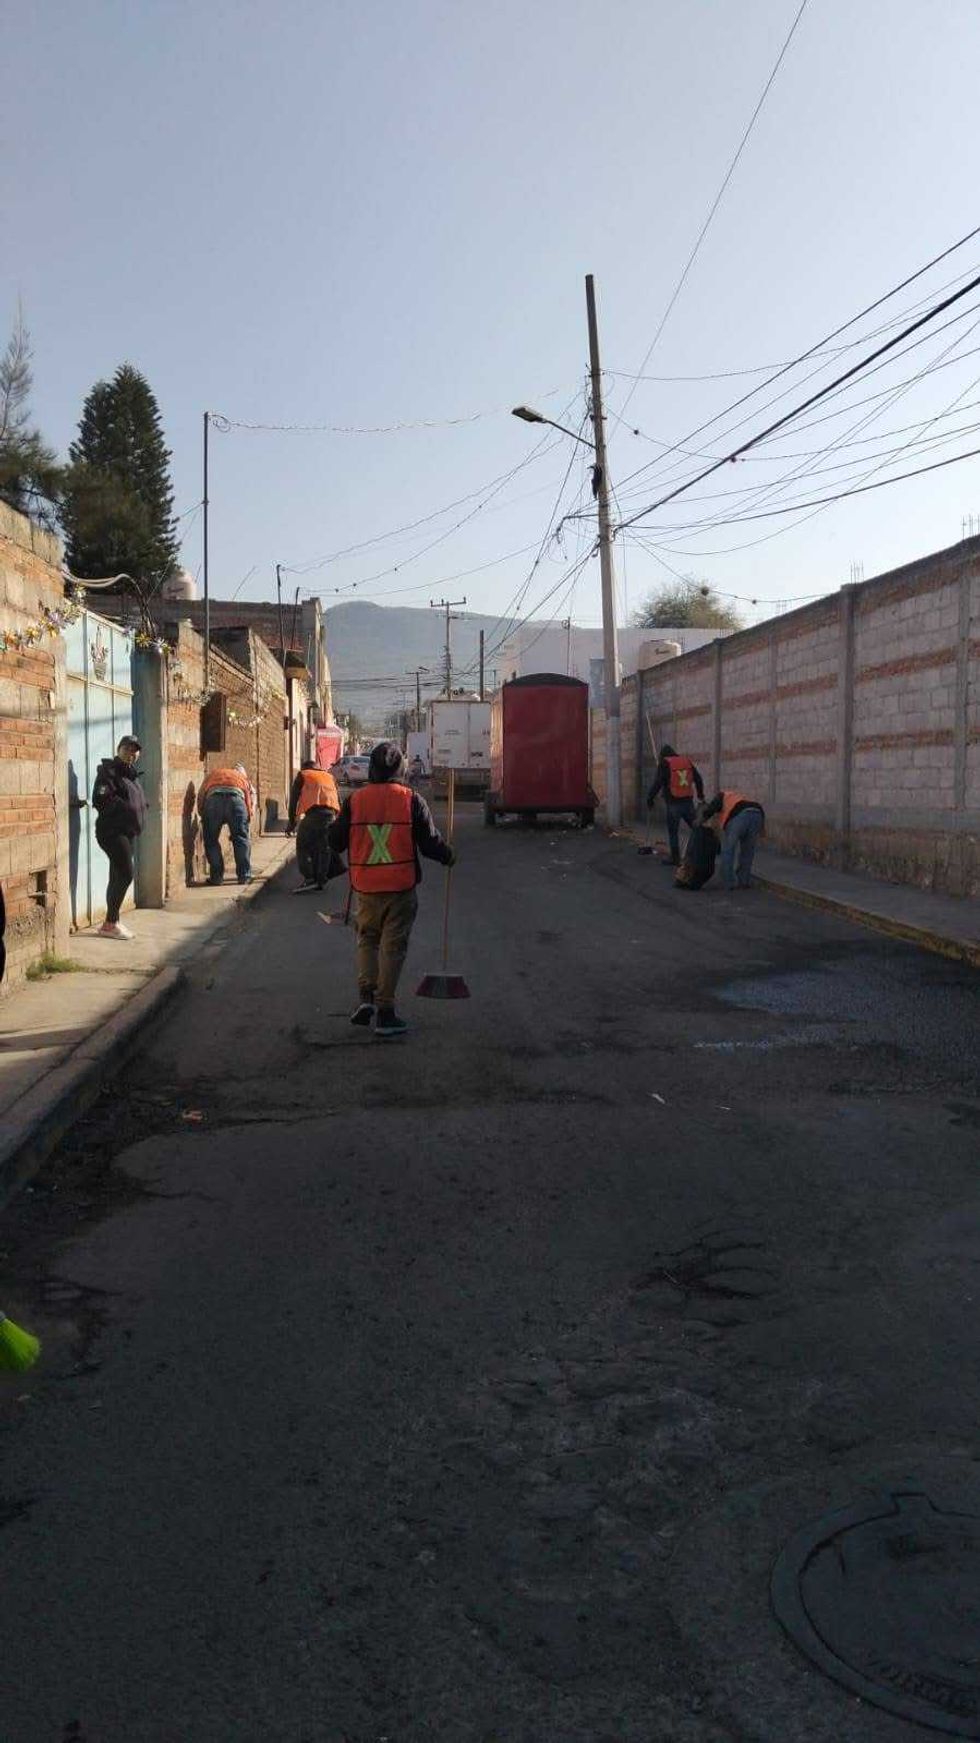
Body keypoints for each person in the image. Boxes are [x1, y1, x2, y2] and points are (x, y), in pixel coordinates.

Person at [327, 740, 455, 1039]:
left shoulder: (355, 801)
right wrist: (449, 855)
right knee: (393, 947)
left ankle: (366, 999)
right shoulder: (411, 800)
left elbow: (335, 842)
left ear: (372, 768)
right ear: (401, 769)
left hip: (366, 888)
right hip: (400, 886)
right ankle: (385, 1012)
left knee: (367, 940)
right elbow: (429, 844)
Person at [92, 734, 147, 939]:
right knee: (126, 874)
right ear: (118, 750)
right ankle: (111, 922)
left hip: (127, 832)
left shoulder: (131, 775)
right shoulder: (109, 772)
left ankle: (110, 923)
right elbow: (101, 800)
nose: (131, 753)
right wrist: (127, 810)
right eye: (127, 749)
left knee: (116, 875)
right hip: (112, 832)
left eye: (134, 750)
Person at [646, 743, 705, 866]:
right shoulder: (686, 762)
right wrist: (700, 796)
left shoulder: (664, 764)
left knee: (673, 832)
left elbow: (658, 783)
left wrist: (650, 799)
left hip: (673, 804)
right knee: (697, 828)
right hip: (688, 802)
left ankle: (675, 858)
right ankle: (702, 852)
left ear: (663, 756)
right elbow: (698, 779)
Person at [287, 758, 341, 889]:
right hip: (331, 814)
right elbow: (338, 799)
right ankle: (321, 879)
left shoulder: (303, 775)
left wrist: (292, 822)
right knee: (324, 848)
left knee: (302, 845)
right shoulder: (329, 777)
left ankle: (310, 877)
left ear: (305, 768)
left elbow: (293, 799)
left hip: (314, 814)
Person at [198, 763, 254, 885]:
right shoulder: (241, 777)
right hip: (236, 801)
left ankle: (217, 877)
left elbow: (201, 794)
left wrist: (203, 813)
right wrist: (248, 817)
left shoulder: (212, 775)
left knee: (211, 840)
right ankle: (244, 876)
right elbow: (248, 799)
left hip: (213, 800)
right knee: (240, 839)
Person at [702, 790, 766, 891]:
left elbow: (711, 808)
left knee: (728, 850)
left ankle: (728, 882)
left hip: (740, 817)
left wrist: (701, 820)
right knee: (748, 851)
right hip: (757, 813)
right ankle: (743, 881)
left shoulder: (722, 795)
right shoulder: (738, 797)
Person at [673, 812, 719, 891]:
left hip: (698, 867)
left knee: (690, 857)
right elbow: (718, 851)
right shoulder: (713, 836)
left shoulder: (698, 833)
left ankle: (684, 878)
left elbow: (690, 853)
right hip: (706, 870)